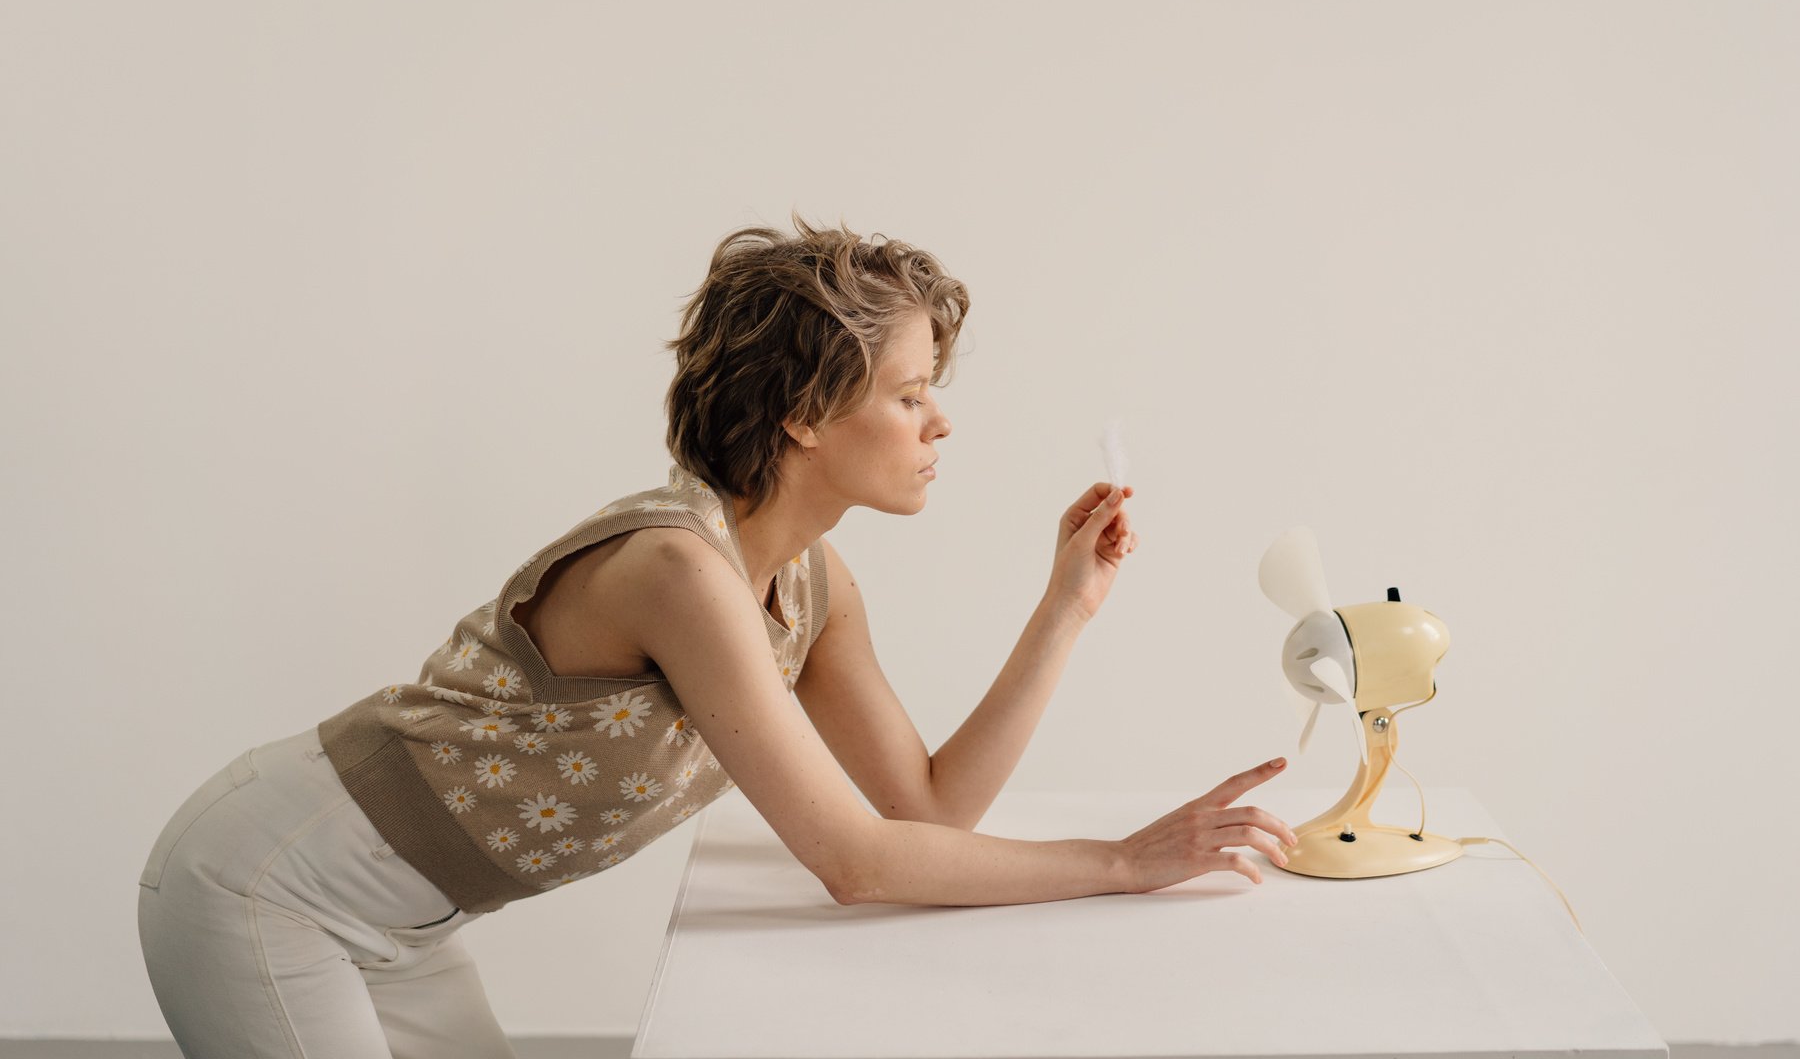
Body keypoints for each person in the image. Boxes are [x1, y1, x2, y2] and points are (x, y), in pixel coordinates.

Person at [136, 211, 1297, 1057]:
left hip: (406, 920)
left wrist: (1065, 610)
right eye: (910, 392)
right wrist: (1122, 863)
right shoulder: (679, 572)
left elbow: (923, 815)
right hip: (268, 889)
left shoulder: (809, 581)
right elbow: (856, 865)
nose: (941, 419)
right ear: (803, 414)